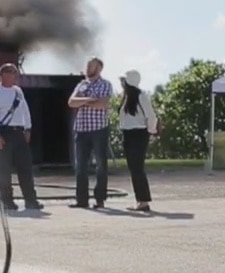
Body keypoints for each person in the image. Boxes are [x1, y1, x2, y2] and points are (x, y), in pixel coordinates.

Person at [0, 63, 42, 211]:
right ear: (1, 75)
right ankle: (7, 202)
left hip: (18, 132)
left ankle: (31, 200)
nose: (12, 75)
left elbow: (24, 110)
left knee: (25, 168)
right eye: (9, 72)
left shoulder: (18, 91)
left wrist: (27, 128)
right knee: (4, 170)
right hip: (3, 132)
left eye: (14, 72)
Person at [68, 57, 114, 209]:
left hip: (99, 129)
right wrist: (90, 100)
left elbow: (103, 104)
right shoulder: (81, 84)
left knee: (101, 166)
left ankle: (100, 199)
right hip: (81, 130)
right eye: (87, 65)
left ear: (99, 68)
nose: (88, 68)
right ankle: (82, 200)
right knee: (80, 166)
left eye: (91, 66)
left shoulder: (105, 84)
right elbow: (71, 102)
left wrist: (82, 101)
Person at [117, 69, 159, 212]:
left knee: (137, 168)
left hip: (138, 134)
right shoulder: (127, 97)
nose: (121, 83)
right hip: (128, 134)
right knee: (133, 168)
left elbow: (151, 116)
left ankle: (144, 201)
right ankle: (140, 200)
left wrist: (151, 131)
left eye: (123, 81)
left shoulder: (141, 96)